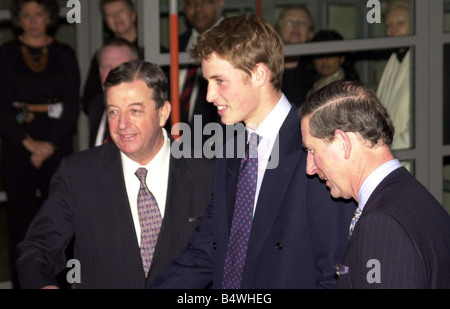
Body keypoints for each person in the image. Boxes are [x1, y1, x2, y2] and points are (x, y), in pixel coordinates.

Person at [149, 15, 355, 289]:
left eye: (219, 81)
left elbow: (335, 271)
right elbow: (207, 250)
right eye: (207, 81)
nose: (209, 95)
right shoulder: (232, 150)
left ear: (259, 74)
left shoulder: (316, 148)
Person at [16, 60, 215, 289]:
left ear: (163, 113)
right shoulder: (78, 174)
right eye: (113, 112)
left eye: (135, 110)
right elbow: (36, 251)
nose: (122, 124)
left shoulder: (208, 173)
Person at [299, 80, 450, 289]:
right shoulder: (417, 197)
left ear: (344, 143)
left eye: (312, 151)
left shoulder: (381, 223)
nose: (310, 168)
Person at [0, 0, 80, 289]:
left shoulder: (64, 53)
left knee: (60, 219)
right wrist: (29, 144)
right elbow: (2, 108)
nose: (33, 21)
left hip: (57, 147)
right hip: (17, 146)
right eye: (26, 15)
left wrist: (48, 145)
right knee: (20, 222)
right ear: (18, 19)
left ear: (49, 17)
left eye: (39, 14)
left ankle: (59, 283)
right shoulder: (6, 54)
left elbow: (72, 106)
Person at [82, 0, 142, 114]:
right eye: (109, 14)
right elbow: (90, 99)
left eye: (120, 11)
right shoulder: (101, 55)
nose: (116, 17)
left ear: (133, 14)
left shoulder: (153, 52)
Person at [174, 0, 225, 131]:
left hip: (224, 140)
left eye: (206, 2)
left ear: (221, 3)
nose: (198, 9)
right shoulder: (175, 44)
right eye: (190, 3)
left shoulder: (236, 42)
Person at [87, 37, 139, 148]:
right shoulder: (96, 106)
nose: (111, 73)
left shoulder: (147, 113)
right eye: (105, 67)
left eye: (119, 67)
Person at [376, 0, 411, 150]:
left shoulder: (426, 60)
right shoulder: (394, 59)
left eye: (400, 23)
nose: (393, 30)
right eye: (389, 25)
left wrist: (390, 155)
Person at [275, 4, 315, 107]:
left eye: (302, 22)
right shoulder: (266, 71)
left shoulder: (316, 72)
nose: (296, 26)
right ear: (278, 30)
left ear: (310, 33)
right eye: (289, 21)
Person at [306, 29, 360, 98]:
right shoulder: (311, 86)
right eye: (320, 56)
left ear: (342, 58)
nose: (325, 60)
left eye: (330, 55)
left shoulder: (348, 88)